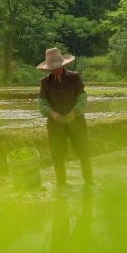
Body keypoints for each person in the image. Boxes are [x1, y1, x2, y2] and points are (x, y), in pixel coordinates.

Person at [37, 47, 92, 186]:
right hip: (56, 126)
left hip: (77, 123)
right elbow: (42, 103)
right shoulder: (45, 83)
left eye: (57, 67)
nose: (55, 70)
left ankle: (89, 182)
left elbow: (82, 97)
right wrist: (52, 113)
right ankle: (61, 184)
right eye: (52, 68)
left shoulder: (74, 78)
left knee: (84, 153)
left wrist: (75, 111)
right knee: (57, 156)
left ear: (63, 65)